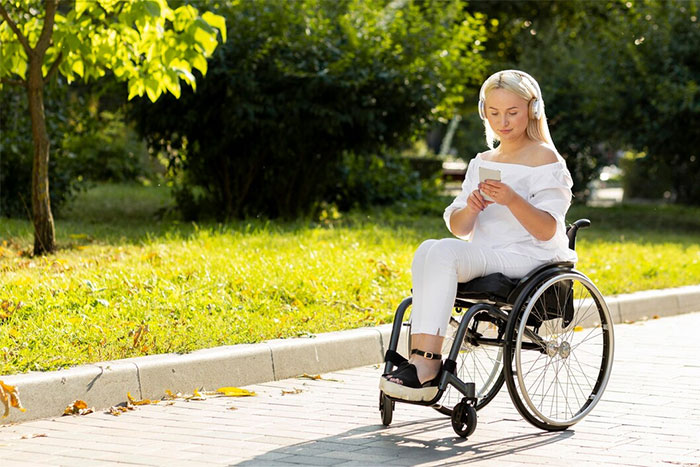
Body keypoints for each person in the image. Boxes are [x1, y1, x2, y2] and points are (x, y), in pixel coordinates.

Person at [379, 70, 578, 402]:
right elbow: (458, 227)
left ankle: (426, 364)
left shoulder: (545, 159)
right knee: (429, 248)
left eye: (512, 113)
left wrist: (512, 198)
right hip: (488, 252)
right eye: (495, 113)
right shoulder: (483, 161)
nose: (503, 122)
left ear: (532, 110)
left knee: (443, 253)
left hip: (529, 256)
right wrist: (471, 207)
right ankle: (420, 358)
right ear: (484, 111)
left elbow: (548, 230)